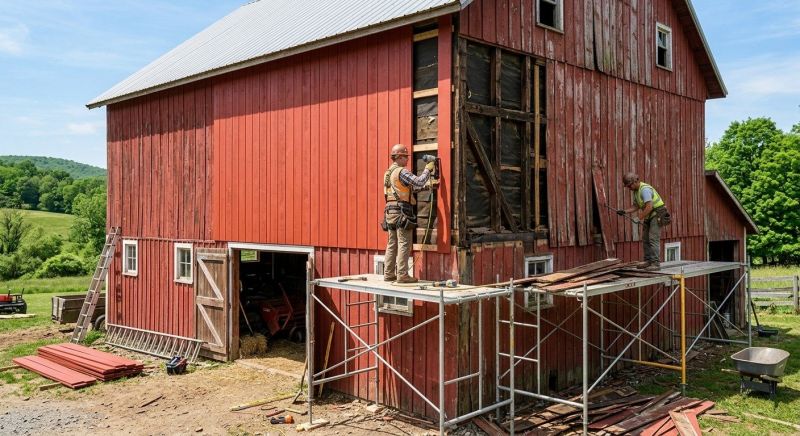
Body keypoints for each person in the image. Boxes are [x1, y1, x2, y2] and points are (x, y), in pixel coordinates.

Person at [382, 144, 435, 283]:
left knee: (392, 243)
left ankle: (388, 274)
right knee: (404, 243)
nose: (407, 160)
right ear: (399, 157)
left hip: (390, 211)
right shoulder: (401, 171)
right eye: (405, 157)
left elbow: (407, 189)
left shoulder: (388, 173)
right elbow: (418, 180)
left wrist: (427, 187)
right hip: (401, 211)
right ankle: (402, 275)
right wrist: (427, 170)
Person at [617, 172, 668, 271]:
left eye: (629, 185)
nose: (629, 188)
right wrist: (624, 211)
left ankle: (656, 263)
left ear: (635, 181)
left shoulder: (644, 190)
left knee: (653, 239)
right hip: (649, 215)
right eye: (627, 186)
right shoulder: (636, 191)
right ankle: (648, 261)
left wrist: (638, 218)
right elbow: (636, 206)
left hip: (657, 214)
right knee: (645, 239)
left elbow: (649, 207)